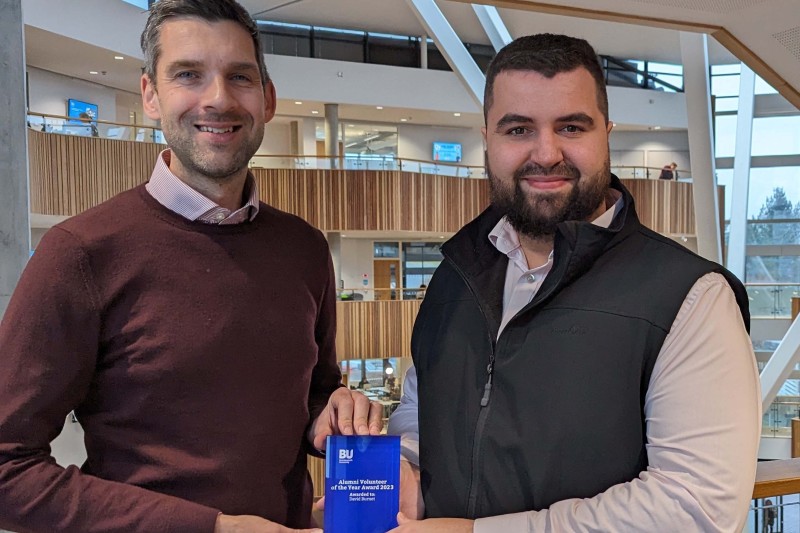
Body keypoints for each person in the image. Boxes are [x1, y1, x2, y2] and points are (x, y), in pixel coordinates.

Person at [0, 1, 382, 532]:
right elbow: (7, 470)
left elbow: (314, 388)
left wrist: (334, 412)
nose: (219, 98)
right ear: (150, 95)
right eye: (188, 75)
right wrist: (214, 528)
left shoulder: (304, 249)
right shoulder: (81, 254)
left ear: (268, 99)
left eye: (240, 76)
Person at [387, 34, 761, 532]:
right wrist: (405, 471)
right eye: (518, 129)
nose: (546, 153)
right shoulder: (455, 275)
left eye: (570, 126)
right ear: (488, 140)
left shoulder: (690, 296)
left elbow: (695, 508)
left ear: (606, 133)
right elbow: (422, 407)